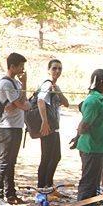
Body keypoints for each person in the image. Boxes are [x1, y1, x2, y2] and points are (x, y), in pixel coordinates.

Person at [72, 69, 103, 206]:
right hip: (92, 148)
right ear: (101, 82)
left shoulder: (100, 100)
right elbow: (83, 126)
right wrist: (79, 136)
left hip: (100, 148)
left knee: (94, 181)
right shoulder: (93, 101)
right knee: (88, 181)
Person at [0, 53, 29, 206]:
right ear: (12, 66)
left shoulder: (17, 83)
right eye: (20, 66)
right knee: (4, 161)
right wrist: (19, 103)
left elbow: (23, 102)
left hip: (17, 125)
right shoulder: (6, 83)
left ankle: (10, 194)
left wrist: (23, 87)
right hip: (7, 127)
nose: (22, 69)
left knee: (11, 162)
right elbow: (22, 104)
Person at [35, 59, 70, 194]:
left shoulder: (55, 87)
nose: (57, 71)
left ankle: (47, 185)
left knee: (54, 156)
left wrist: (58, 92)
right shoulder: (46, 85)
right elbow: (40, 101)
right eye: (54, 68)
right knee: (47, 156)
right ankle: (43, 187)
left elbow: (66, 103)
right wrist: (44, 121)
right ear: (48, 70)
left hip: (54, 126)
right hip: (48, 126)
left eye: (59, 69)